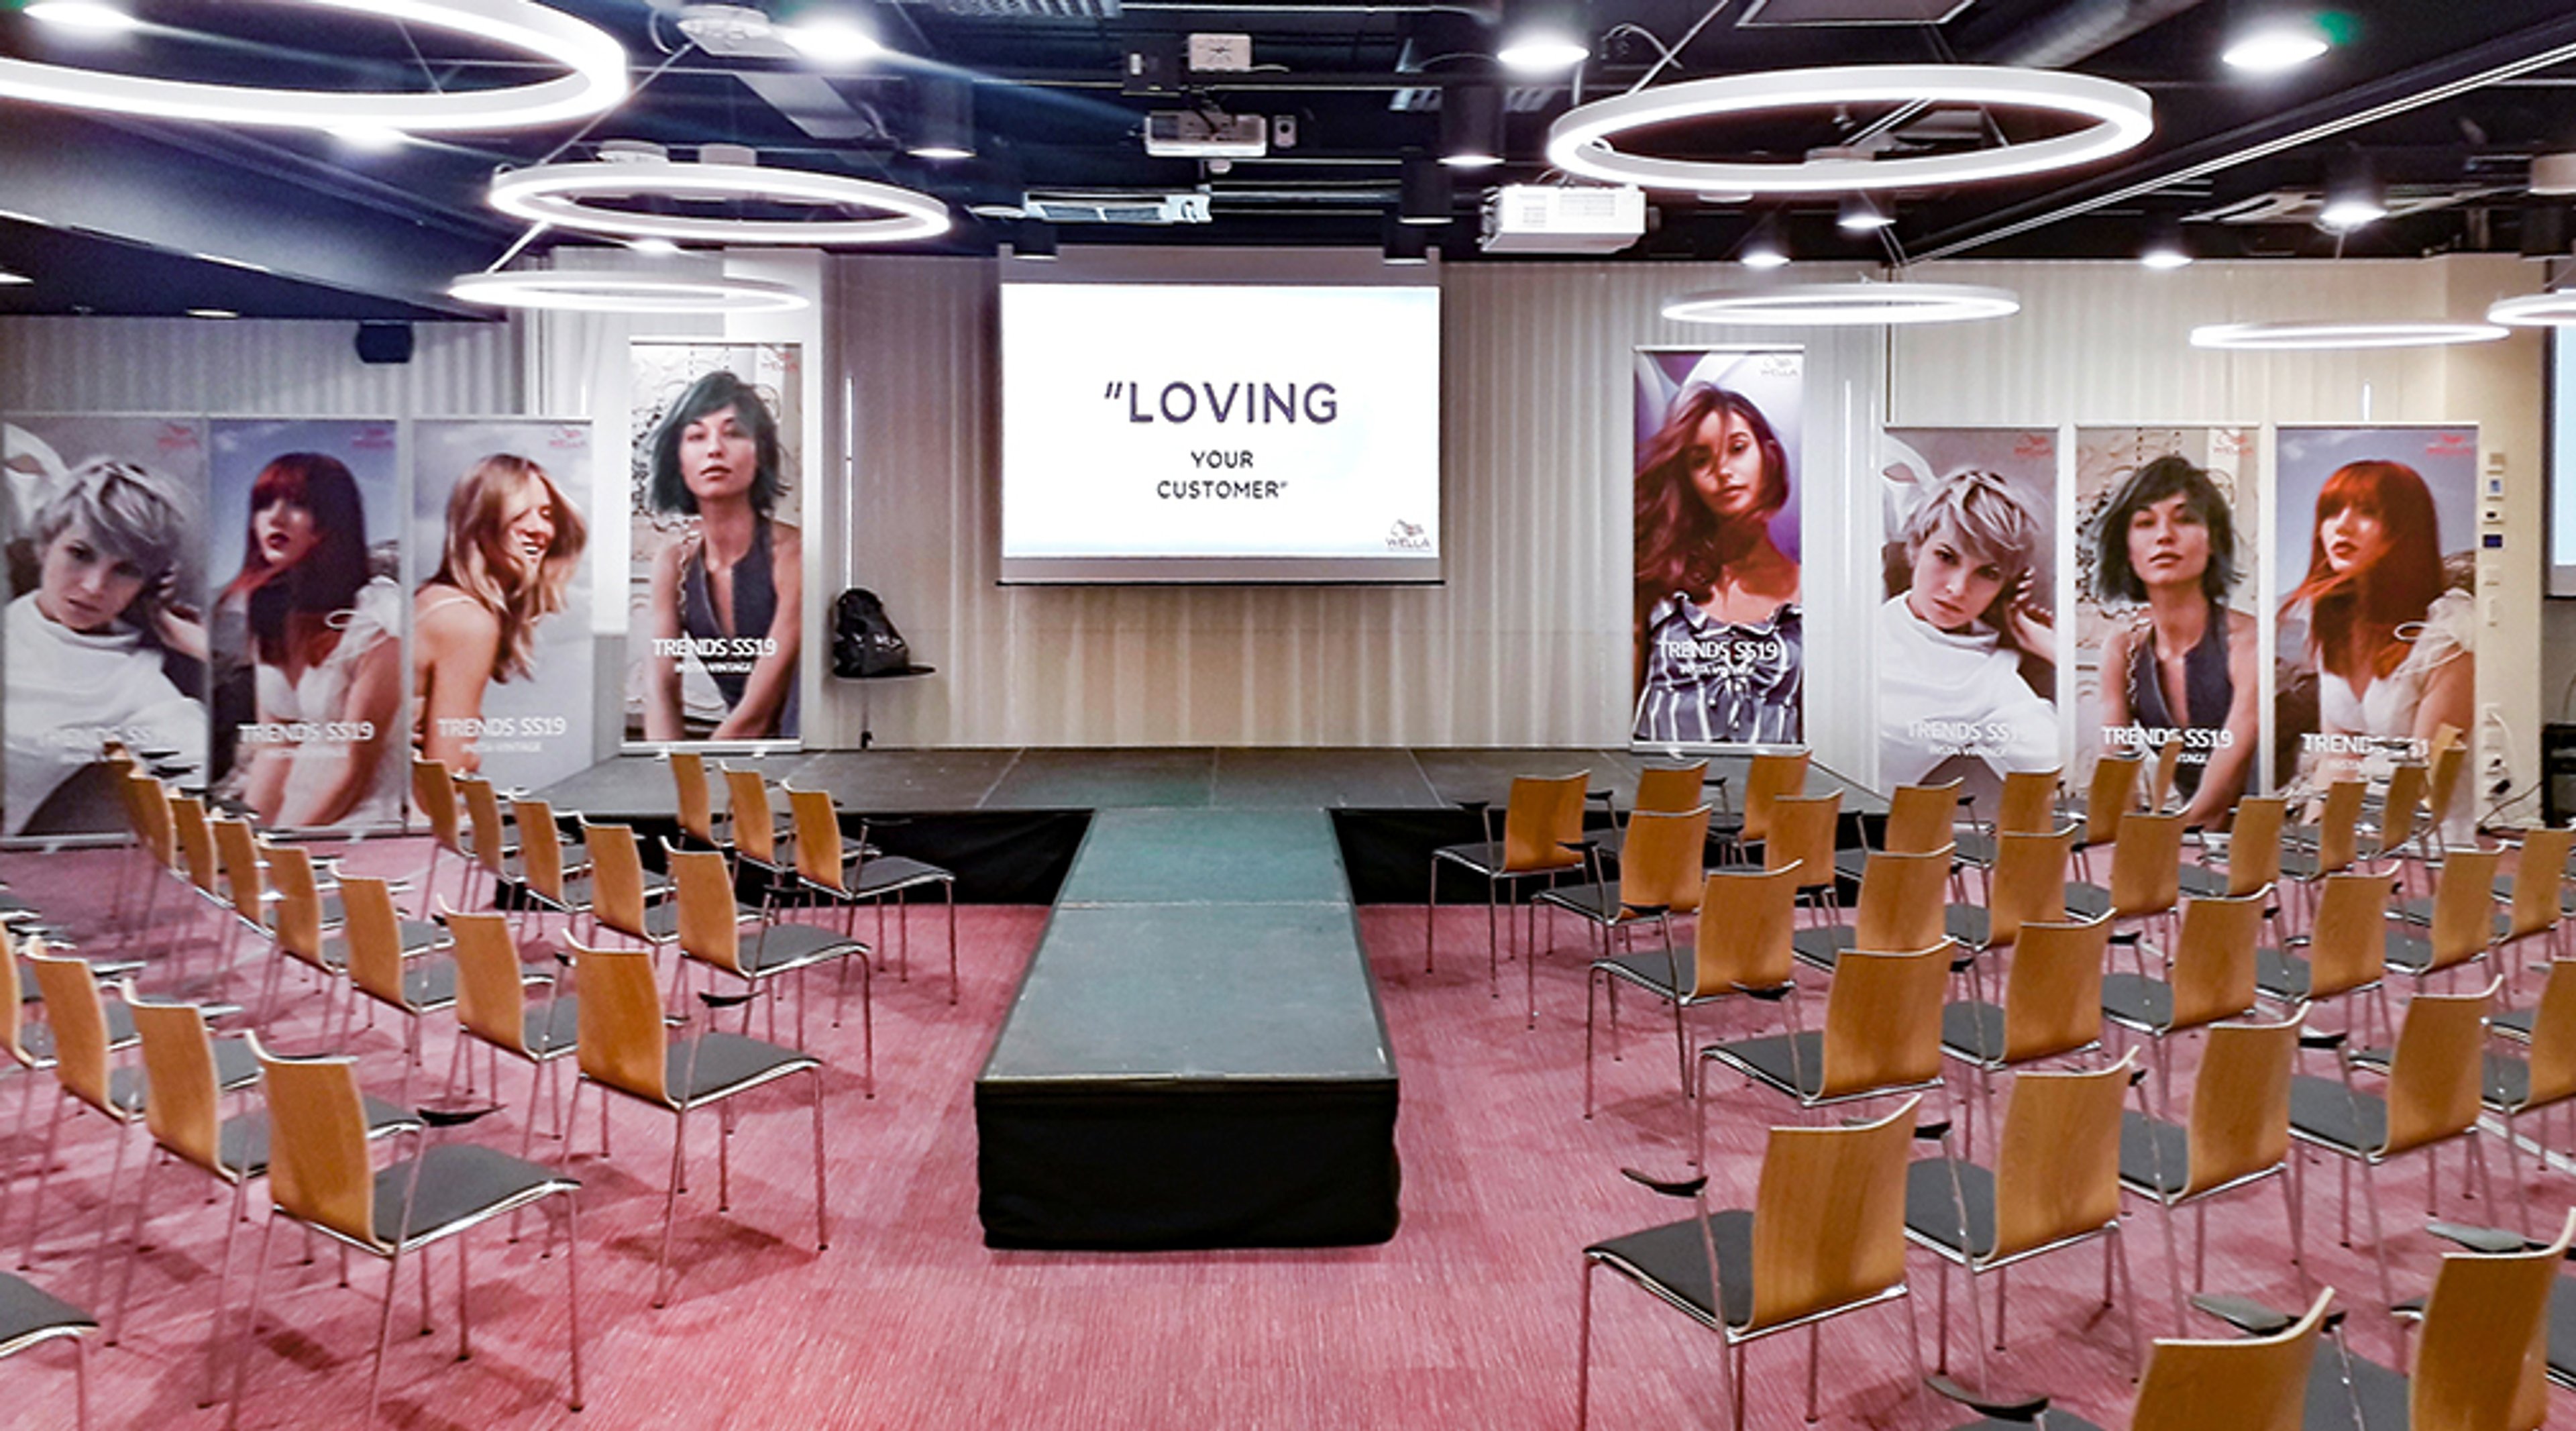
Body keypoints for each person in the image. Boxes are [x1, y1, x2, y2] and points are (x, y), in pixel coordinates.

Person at [4, 458, 206, 835]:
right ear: (47, 545)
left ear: (148, 583)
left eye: (126, 570)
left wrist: (193, 642)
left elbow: (200, 787)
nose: (94, 586)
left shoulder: (142, 688)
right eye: (80, 554)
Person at [219, 452, 402, 828]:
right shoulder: (269, 611)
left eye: (298, 504)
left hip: (363, 818)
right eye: (265, 504)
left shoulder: (376, 624)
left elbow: (356, 770)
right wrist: (253, 835)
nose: (276, 517)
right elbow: (275, 750)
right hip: (297, 812)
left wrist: (290, 843)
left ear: (333, 523)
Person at [2092, 456, 2259, 827]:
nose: (2164, 536)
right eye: (2145, 523)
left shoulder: (2247, 641)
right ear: (2128, 548)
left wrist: (2158, 837)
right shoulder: (2123, 650)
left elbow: (2224, 784)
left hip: (2274, 834)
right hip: (2188, 840)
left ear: (2213, 540)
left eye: (2184, 519)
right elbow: (2115, 769)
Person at [1631, 384, 1800, 745]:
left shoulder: (1807, 592)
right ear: (1686, 478)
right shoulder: (1656, 582)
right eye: (1700, 460)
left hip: (1771, 793)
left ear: (1767, 456)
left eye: (1737, 449)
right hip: (1665, 789)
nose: (1723, 470)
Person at [2280, 458, 2472, 775]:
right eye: (2331, 511)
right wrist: (2315, 824)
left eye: (2367, 512)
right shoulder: (2335, 624)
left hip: (2421, 819)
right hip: (2356, 817)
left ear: (2406, 529)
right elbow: (2336, 763)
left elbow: (2424, 782)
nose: (2342, 526)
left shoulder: (2447, 637)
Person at [641, 371, 802, 742]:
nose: (714, 449)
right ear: (677, 460)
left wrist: (697, 782)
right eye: (697, 436)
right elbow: (660, 689)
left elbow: (758, 716)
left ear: (759, 453)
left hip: (803, 753)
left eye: (733, 433)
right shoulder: (673, 563)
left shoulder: (792, 556)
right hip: (730, 756)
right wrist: (663, 778)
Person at [1876, 469, 2058, 788]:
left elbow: (2077, 770)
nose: (1958, 588)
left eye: (1987, 573)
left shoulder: (1991, 678)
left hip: (1861, 828)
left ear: (2004, 586)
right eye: (1946, 557)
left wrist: (2054, 648)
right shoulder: (1854, 625)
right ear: (1917, 548)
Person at [413, 454, 588, 772]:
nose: (539, 530)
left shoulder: (435, 600)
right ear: (480, 523)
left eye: (547, 514)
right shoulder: (465, 621)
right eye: (520, 514)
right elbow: (442, 777)